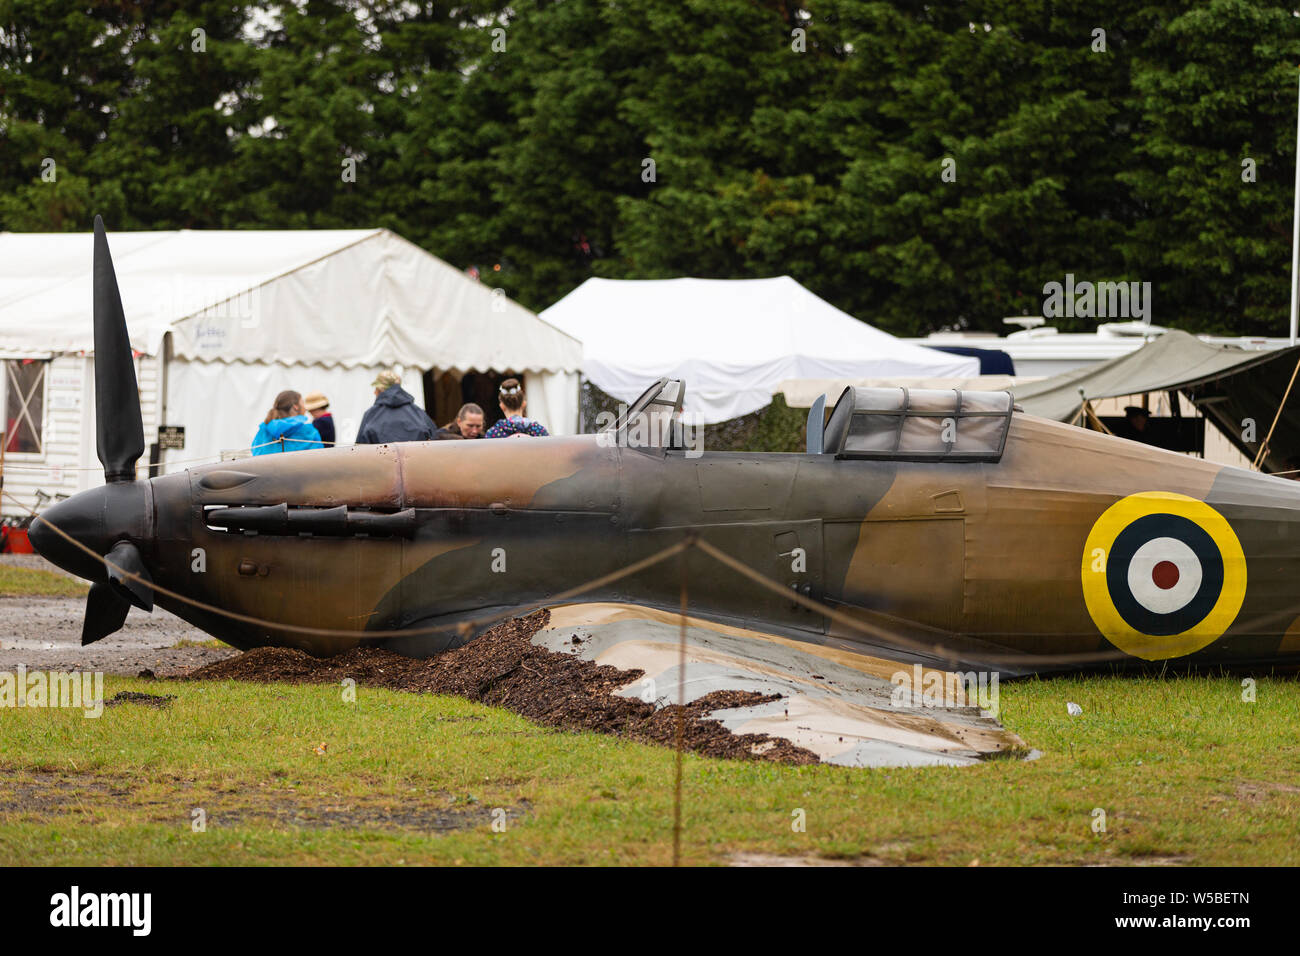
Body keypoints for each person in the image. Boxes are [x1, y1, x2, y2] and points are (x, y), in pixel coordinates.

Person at [355, 369, 436, 444]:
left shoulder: (370, 415)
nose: (374, 392)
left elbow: (359, 450)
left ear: (381, 389)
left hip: (379, 459)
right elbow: (436, 441)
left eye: (376, 388)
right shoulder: (419, 413)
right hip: (416, 459)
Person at [252, 390, 324, 455]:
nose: (305, 407)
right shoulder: (309, 432)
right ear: (296, 407)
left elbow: (255, 454)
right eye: (302, 403)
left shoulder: (264, 431)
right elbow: (318, 460)